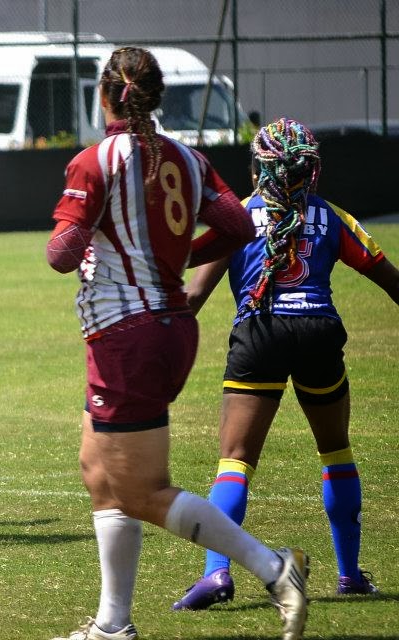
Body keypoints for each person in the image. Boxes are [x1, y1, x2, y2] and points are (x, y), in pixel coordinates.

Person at [45, 47, 310, 640]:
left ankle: (274, 569)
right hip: (162, 327)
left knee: (141, 491)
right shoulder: (189, 159)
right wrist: (176, 254)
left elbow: (61, 255)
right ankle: (113, 624)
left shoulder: (94, 161)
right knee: (99, 471)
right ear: (156, 97)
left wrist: (79, 233)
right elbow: (238, 226)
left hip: (128, 335)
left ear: (104, 96)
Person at [172, 117, 399, 611]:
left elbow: (193, 296)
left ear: (258, 168)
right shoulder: (332, 216)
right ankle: (349, 575)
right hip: (319, 332)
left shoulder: (237, 218)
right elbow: (390, 279)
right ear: (311, 170)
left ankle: (216, 572)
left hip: (259, 333)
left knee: (235, 461)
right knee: (336, 452)